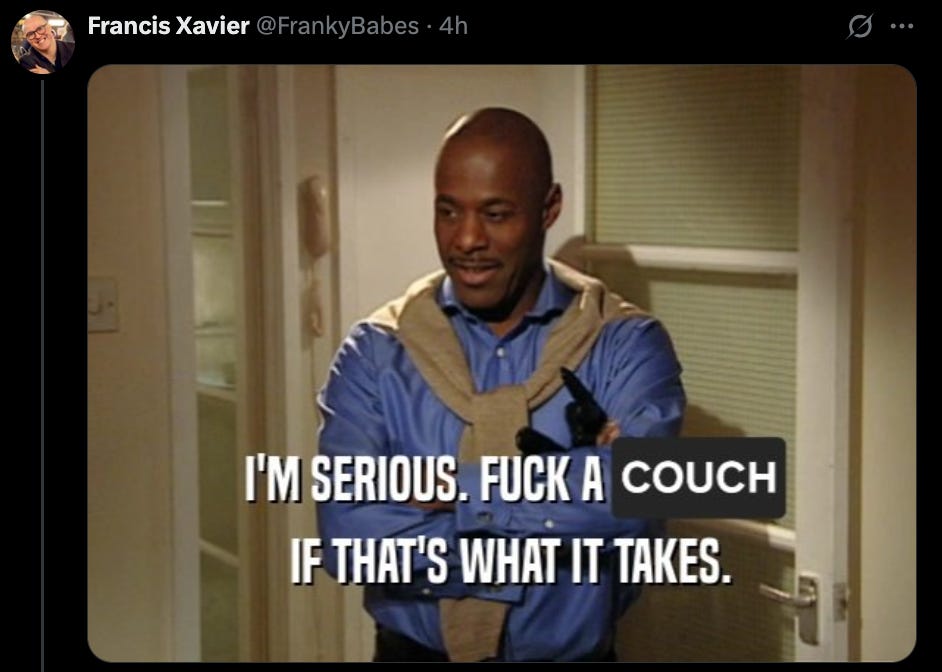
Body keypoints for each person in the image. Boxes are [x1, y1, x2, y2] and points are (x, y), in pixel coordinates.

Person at [316, 108, 685, 661]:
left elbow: (642, 499)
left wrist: (462, 493)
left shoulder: (625, 344)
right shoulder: (375, 351)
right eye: (448, 211)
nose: (467, 239)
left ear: (548, 208)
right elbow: (350, 540)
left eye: (495, 214)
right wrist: (569, 503)